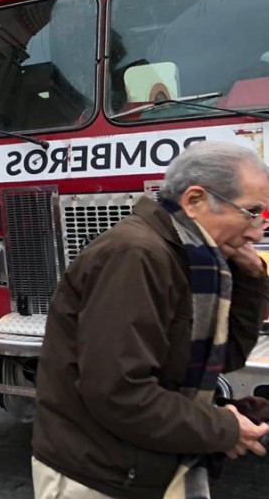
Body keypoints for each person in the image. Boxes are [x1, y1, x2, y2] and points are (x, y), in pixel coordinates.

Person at [32, 141, 269, 499]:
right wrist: (222, 428)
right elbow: (120, 393)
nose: (256, 232)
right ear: (195, 201)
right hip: (102, 477)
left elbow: (224, 357)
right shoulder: (136, 256)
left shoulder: (196, 258)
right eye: (252, 213)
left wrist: (251, 280)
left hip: (145, 465)